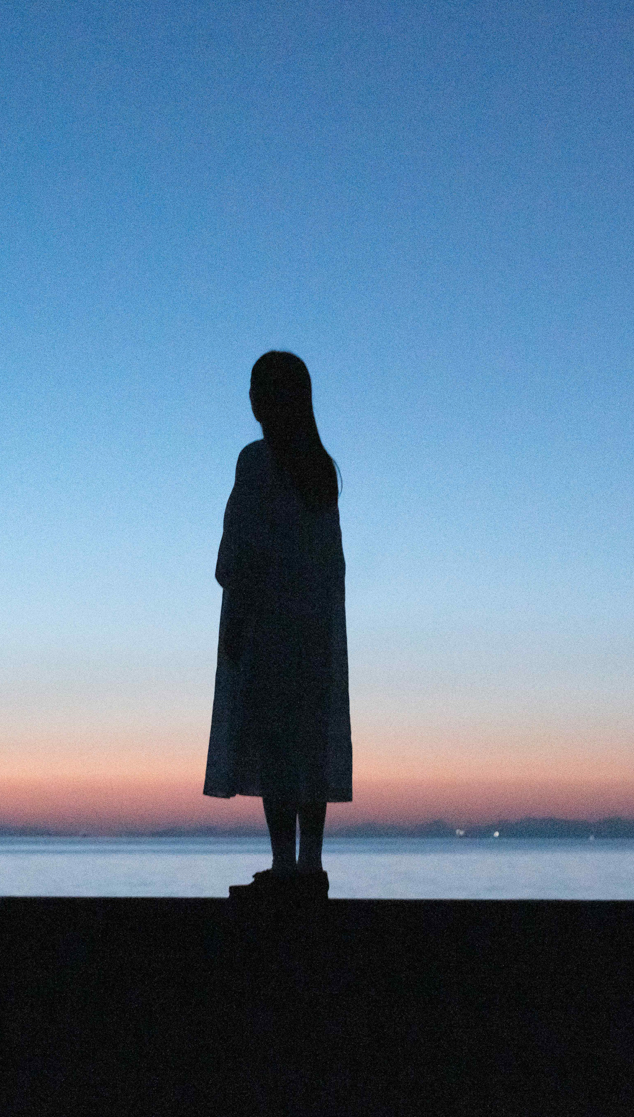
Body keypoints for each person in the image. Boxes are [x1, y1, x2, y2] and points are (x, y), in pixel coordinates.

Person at [204, 350, 351, 899]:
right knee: (304, 745)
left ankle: (287, 865)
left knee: (276, 744)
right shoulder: (321, 471)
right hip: (309, 633)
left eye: (257, 388)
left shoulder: (259, 461)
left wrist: (238, 620)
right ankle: (306, 867)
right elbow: (325, 564)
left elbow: (241, 550)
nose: (250, 398)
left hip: (270, 627)